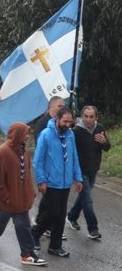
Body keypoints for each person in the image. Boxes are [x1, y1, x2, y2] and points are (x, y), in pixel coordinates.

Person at [0, 123, 48, 266]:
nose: (28, 136)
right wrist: (7, 198)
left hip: (20, 201)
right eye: (26, 134)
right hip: (4, 202)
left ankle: (27, 255)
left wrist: (30, 192)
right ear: (17, 135)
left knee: (24, 227)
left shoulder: (23, 152)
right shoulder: (2, 152)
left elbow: (26, 174)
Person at [31, 108, 83, 258]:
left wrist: (78, 178)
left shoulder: (70, 135)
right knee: (52, 212)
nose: (67, 125)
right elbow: (38, 161)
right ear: (57, 119)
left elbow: (74, 157)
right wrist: (41, 180)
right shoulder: (46, 135)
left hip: (65, 183)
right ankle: (34, 233)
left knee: (60, 215)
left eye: (70, 122)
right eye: (65, 121)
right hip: (51, 182)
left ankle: (55, 246)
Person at [67, 105, 110, 240]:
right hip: (81, 172)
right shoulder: (76, 131)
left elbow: (107, 147)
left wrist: (104, 142)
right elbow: (70, 153)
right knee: (88, 201)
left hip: (93, 169)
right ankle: (93, 229)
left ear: (96, 117)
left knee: (83, 198)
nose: (88, 119)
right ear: (82, 116)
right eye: (86, 116)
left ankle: (71, 216)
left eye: (91, 117)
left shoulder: (99, 128)